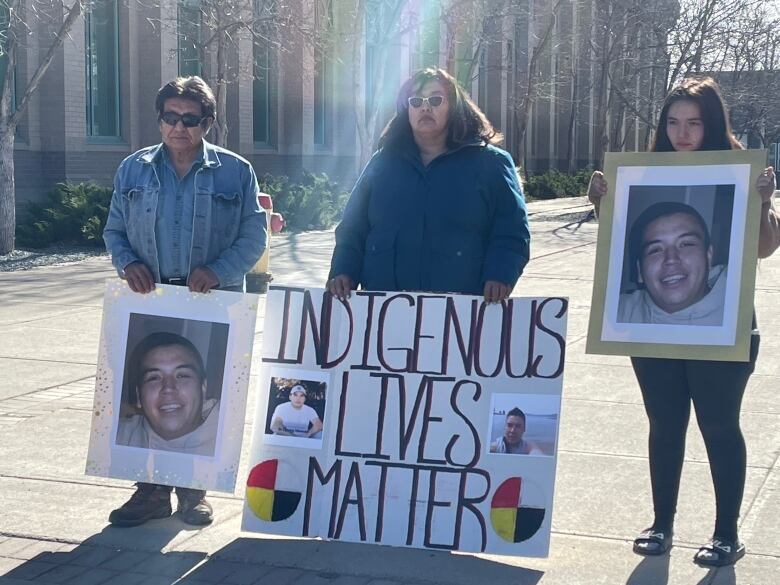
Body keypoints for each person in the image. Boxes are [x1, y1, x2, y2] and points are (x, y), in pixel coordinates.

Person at [587, 77, 779, 566]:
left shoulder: (742, 171)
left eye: (694, 123)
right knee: (664, 424)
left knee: (718, 425)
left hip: (725, 329)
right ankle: (662, 524)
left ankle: (726, 533)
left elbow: (763, 247)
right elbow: (616, 251)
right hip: (654, 336)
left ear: (712, 123)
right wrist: (602, 202)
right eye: (673, 122)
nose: (683, 133)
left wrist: (763, 201)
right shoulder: (643, 171)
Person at [104, 76, 266, 527]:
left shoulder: (236, 172)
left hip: (211, 300)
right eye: (170, 117)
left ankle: (195, 492)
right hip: (149, 297)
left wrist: (219, 270)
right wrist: (127, 262)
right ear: (159, 121)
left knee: (199, 391)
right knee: (152, 390)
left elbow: (255, 234)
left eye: (190, 119)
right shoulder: (132, 169)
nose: (179, 127)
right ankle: (150, 492)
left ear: (207, 122)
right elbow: (114, 229)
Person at [327, 68, 530, 303]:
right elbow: (353, 227)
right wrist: (343, 271)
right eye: (416, 101)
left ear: (453, 106)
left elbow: (512, 230)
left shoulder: (491, 164)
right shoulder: (382, 163)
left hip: (461, 314)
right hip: (387, 310)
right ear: (407, 110)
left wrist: (500, 274)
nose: (425, 107)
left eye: (435, 99)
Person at [618, 201, 726, 325]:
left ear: (708, 256)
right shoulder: (616, 312)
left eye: (686, 244)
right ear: (639, 271)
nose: (671, 259)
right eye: (656, 250)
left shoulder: (739, 308)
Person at [117, 332, 219, 456]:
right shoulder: (113, 438)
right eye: (154, 378)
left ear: (203, 388)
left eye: (182, 375)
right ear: (139, 396)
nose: (168, 388)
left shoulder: (232, 439)